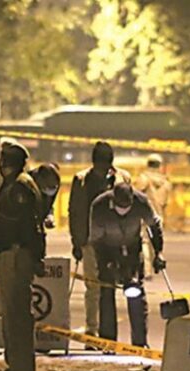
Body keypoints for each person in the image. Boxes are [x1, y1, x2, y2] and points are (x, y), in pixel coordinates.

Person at [0, 140, 44, 371]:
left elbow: (26, 225)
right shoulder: (17, 183)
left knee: (17, 317)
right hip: (12, 252)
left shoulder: (19, 186)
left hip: (17, 253)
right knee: (11, 318)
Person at [89, 182, 165, 349]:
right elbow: (96, 240)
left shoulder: (141, 201)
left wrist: (158, 252)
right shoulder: (100, 206)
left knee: (136, 292)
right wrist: (106, 262)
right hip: (107, 250)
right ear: (113, 199)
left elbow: (154, 227)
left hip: (132, 250)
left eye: (127, 206)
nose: (124, 209)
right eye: (120, 205)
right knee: (107, 292)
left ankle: (139, 342)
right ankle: (108, 342)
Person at [68, 141, 130, 341]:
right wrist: (76, 242)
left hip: (113, 242)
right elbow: (74, 211)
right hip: (89, 242)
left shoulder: (122, 178)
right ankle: (91, 330)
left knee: (109, 287)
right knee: (92, 288)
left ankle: (107, 333)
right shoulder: (81, 180)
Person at [133, 153, 171, 278]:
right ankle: (157, 265)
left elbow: (135, 194)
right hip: (159, 215)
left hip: (144, 214)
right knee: (155, 243)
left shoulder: (143, 178)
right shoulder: (165, 182)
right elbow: (165, 202)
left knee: (144, 242)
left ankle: (146, 270)